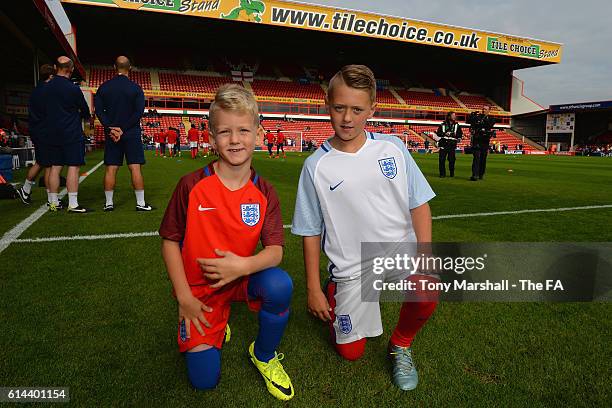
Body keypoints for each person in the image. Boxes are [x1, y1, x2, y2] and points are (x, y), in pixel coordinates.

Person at [292, 65, 437, 391]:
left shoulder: (394, 148)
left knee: (427, 289)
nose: (347, 118)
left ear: (372, 109)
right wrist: (314, 289)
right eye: (339, 107)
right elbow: (310, 230)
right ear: (326, 103)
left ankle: (400, 344)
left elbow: (420, 205)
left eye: (357, 109)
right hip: (353, 265)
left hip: (399, 250)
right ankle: (334, 290)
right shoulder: (315, 166)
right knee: (351, 353)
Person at [159, 84, 294, 400]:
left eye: (244, 130)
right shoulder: (191, 185)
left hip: (241, 278)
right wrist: (184, 298)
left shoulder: (265, 191)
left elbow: (275, 251)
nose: (235, 140)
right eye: (225, 132)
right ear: (211, 137)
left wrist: (244, 265)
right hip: (199, 291)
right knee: (204, 380)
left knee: (279, 285)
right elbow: (169, 241)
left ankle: (263, 353)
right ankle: (215, 321)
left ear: (258, 134)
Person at [94, 56, 152, 212]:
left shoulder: (104, 88)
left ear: (114, 67)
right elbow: (138, 112)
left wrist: (111, 128)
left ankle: (108, 203)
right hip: (131, 132)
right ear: (130, 68)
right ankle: (140, 203)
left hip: (112, 133)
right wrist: (123, 129)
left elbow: (99, 111)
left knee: (111, 169)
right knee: (135, 168)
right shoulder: (136, 88)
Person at [45, 56, 91, 213]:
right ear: (71, 69)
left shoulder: (46, 87)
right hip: (71, 132)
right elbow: (85, 111)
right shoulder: (72, 88)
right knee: (73, 167)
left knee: (55, 168)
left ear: (54, 67)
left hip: (51, 132)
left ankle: (53, 203)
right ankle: (73, 203)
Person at [16, 64, 56, 206]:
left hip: (36, 130)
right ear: (51, 76)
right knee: (49, 165)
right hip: (45, 131)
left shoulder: (36, 91)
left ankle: (26, 190)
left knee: (42, 162)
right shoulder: (48, 91)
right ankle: (51, 200)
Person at [467, 105, 496, 181]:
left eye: (485, 109)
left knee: (483, 158)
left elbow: (489, 125)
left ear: (489, 110)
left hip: (485, 141)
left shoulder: (491, 118)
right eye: (483, 109)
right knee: (476, 157)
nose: (483, 110)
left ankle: (481, 174)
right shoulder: (477, 117)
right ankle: (474, 175)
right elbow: (469, 122)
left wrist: (481, 121)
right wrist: (471, 116)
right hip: (476, 140)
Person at [435, 111, 463, 177]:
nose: (454, 117)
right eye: (453, 115)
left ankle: (451, 173)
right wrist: (444, 134)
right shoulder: (442, 125)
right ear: (449, 116)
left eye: (454, 115)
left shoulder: (457, 125)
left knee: (452, 160)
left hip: (452, 144)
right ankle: (442, 174)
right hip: (443, 144)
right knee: (441, 160)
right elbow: (438, 133)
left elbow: (460, 134)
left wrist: (456, 135)